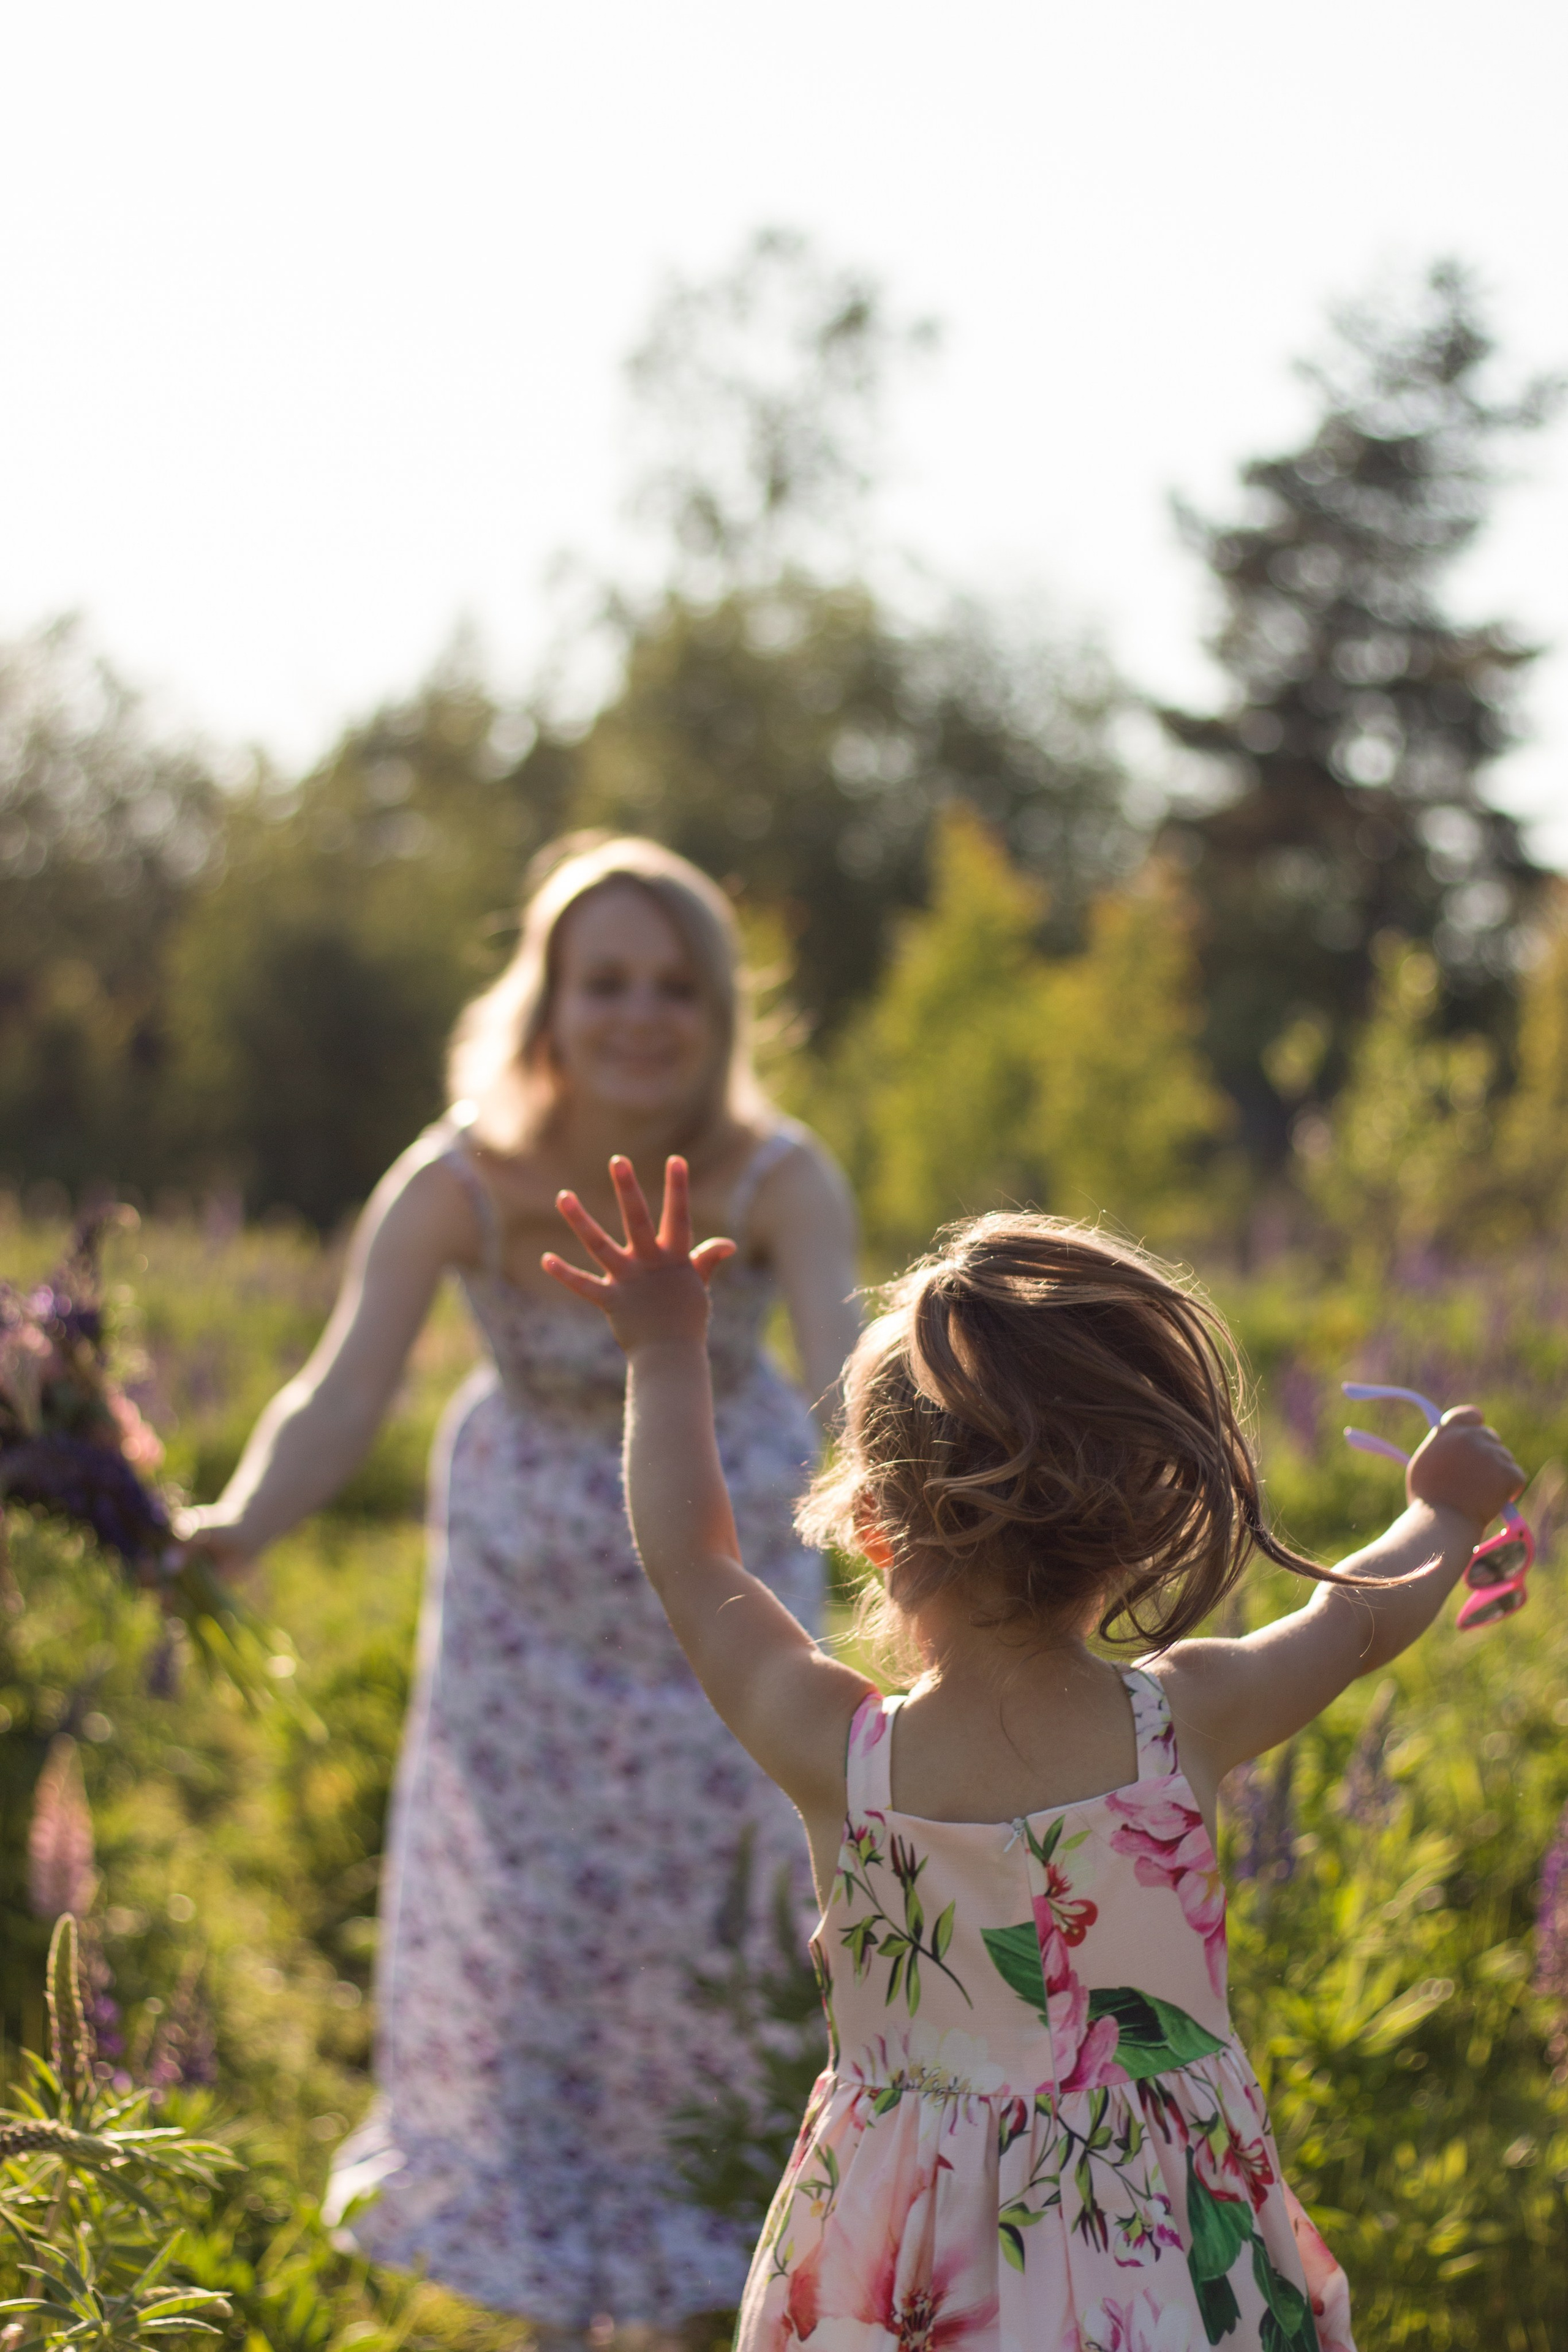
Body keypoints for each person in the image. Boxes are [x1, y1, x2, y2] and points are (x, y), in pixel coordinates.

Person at [544, 1158, 1526, 2352]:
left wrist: (661, 1346)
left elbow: (693, 1566)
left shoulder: (840, 1756)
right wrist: (1442, 1508)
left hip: (908, 2269)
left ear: (870, 1524)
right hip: (1158, 2264)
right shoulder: (1184, 1719)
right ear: (1124, 1528)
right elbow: (1359, 1616)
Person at [176, 835, 861, 2342]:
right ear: (542, 1001)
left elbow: (849, 1387)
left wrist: (944, 1545)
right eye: (600, 980)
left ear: (719, 1009)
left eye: (673, 984)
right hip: (520, 1628)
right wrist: (237, 1520)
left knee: (718, 1937)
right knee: (536, 1944)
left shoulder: (776, 1172)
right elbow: (338, 1395)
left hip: (721, 1615)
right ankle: (559, 2305)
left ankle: (715, 2295)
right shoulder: (459, 1176)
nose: (638, 1014)